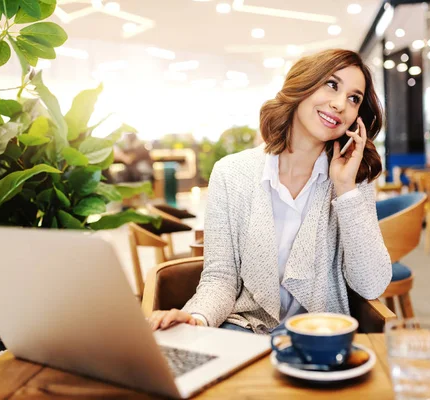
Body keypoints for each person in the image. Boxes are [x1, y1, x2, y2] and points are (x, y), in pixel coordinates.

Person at [149, 49, 392, 334]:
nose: (340, 104)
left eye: (354, 98)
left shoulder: (352, 179)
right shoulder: (231, 173)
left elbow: (372, 284)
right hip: (245, 329)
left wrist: (346, 190)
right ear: (302, 85)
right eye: (331, 84)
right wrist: (196, 318)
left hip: (320, 335)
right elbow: (220, 278)